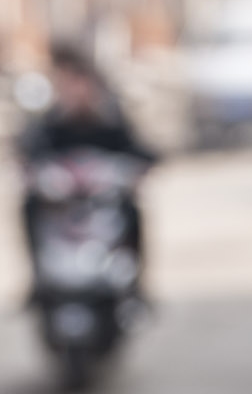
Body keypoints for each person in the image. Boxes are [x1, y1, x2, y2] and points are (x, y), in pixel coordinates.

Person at [18, 43, 155, 292]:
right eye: (70, 85)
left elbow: (139, 150)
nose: (77, 92)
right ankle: (36, 278)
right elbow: (29, 152)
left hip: (102, 200)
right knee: (29, 207)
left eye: (82, 85)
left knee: (132, 211)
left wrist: (136, 170)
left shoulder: (109, 121)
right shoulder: (51, 123)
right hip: (62, 202)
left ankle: (136, 283)